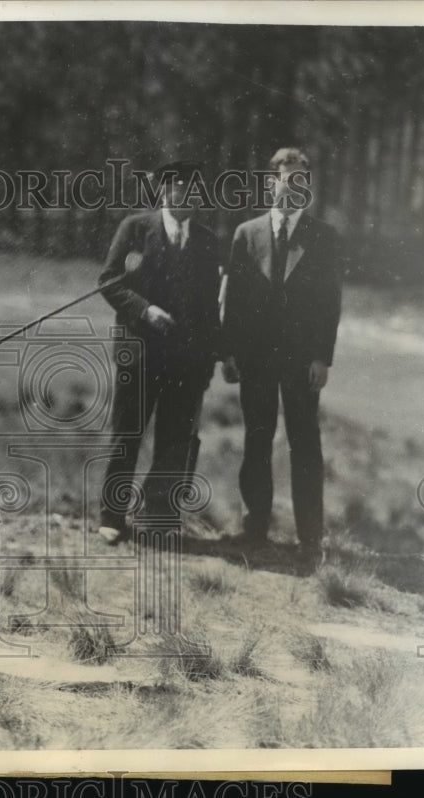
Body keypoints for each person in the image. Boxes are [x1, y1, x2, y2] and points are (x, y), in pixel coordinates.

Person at [219, 147, 342, 572]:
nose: (294, 189)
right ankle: (255, 531)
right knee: (257, 439)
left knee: (305, 444)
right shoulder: (246, 234)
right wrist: (229, 353)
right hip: (255, 358)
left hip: (301, 362)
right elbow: (232, 301)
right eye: (287, 180)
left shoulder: (324, 237)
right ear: (271, 183)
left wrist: (321, 358)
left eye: (302, 182)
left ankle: (310, 539)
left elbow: (330, 304)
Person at [97, 161, 222, 544]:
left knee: (174, 438)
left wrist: (209, 362)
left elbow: (210, 309)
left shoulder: (207, 240)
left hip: (186, 360)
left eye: (196, 192)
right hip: (138, 353)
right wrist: (145, 310)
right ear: (165, 192)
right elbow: (107, 282)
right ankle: (112, 517)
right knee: (127, 435)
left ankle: (158, 519)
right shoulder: (135, 229)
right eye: (182, 189)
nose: (190, 198)